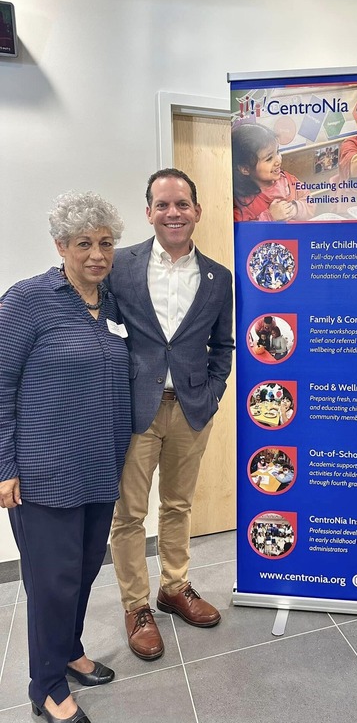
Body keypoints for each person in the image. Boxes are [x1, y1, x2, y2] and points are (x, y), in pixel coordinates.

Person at [0, 192, 130, 723]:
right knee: (51, 581)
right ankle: (46, 685)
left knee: (80, 573)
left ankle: (68, 650)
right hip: (44, 470)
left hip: (101, 465)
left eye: (105, 243)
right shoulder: (28, 299)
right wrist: (4, 466)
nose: (97, 254)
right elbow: (2, 383)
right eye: (84, 244)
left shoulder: (112, 302)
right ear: (61, 246)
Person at [108, 168, 234, 661]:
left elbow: (222, 345)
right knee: (130, 516)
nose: (173, 213)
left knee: (178, 505)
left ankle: (174, 587)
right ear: (149, 213)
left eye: (181, 204)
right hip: (134, 409)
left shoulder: (217, 277)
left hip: (189, 409)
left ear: (196, 211)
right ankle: (136, 606)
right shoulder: (120, 266)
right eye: (162, 205)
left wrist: (212, 393)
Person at [232, 123, 315, 222]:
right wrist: (270, 216)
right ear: (245, 169)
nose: (278, 160)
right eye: (269, 158)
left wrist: (295, 209)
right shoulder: (243, 203)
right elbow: (244, 233)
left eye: (278, 152)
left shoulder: (288, 179)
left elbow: (310, 200)